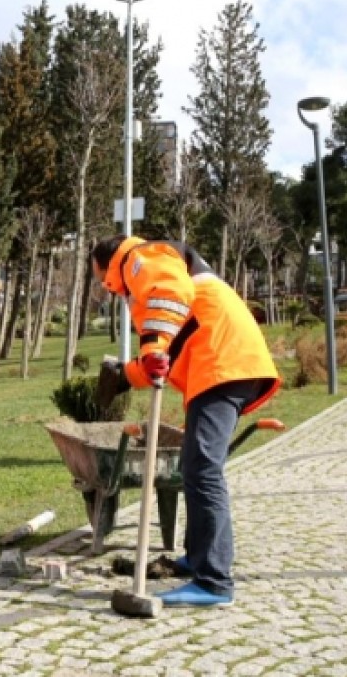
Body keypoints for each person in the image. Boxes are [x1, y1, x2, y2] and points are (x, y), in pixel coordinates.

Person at [91, 235, 281, 607]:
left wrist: (152, 346)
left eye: (104, 280)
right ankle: (197, 559)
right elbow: (167, 349)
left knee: (204, 470)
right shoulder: (155, 265)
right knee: (197, 468)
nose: (107, 289)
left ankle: (213, 582)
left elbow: (167, 296)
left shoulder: (141, 258)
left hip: (222, 363)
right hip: (218, 362)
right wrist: (126, 375)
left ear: (107, 264)